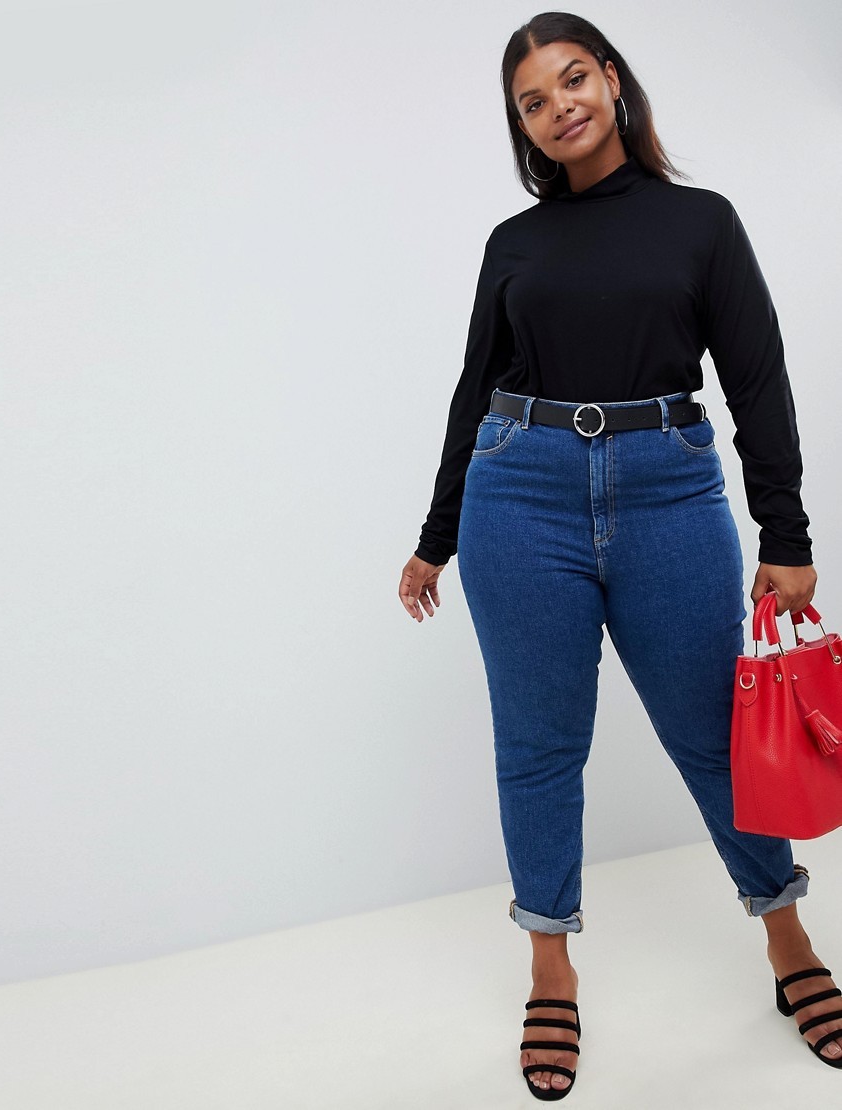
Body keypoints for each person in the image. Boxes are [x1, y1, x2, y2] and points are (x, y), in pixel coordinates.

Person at [397, 11, 839, 1102]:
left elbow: (758, 379)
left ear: (613, 80)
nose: (560, 108)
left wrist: (787, 535)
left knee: (714, 737)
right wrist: (437, 536)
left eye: (573, 79)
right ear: (522, 126)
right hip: (520, 494)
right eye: (532, 102)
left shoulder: (701, 220)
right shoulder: (516, 242)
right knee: (539, 747)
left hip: (668, 490)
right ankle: (550, 967)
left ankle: (787, 937)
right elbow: (473, 389)